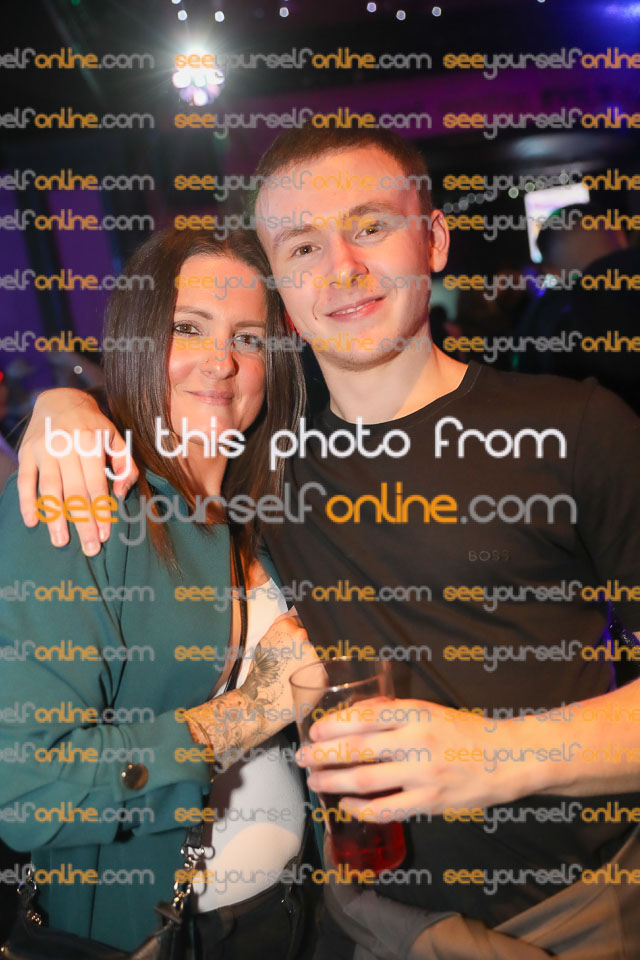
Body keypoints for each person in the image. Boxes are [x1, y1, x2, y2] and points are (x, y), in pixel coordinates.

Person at [16, 126, 640, 959]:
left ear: (434, 239)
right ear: (283, 290)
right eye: (304, 245)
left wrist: (497, 755)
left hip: (567, 913)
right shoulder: (262, 454)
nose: (341, 267)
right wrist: (64, 407)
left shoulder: (580, 428)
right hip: (353, 922)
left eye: (371, 225)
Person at [0, 226, 319, 957]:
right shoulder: (81, 506)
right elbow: (23, 787)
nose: (221, 360)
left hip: (293, 916)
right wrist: (246, 713)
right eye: (188, 327)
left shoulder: (263, 507)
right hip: (153, 937)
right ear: (139, 340)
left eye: (248, 338)